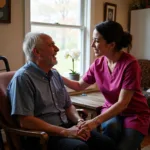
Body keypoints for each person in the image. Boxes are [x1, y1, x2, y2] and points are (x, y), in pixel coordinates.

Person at [7, 32, 116, 150]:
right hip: (42, 136)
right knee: (80, 148)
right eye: (51, 45)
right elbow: (26, 121)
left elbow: (68, 106)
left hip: (67, 126)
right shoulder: (23, 78)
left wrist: (79, 121)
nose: (57, 49)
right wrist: (65, 132)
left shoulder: (55, 74)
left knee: (106, 143)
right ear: (37, 52)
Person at [62, 21, 150, 150]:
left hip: (134, 114)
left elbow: (123, 103)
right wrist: (57, 75)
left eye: (96, 41)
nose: (92, 44)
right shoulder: (98, 64)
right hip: (111, 110)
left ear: (111, 44)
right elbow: (79, 86)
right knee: (110, 135)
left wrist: (94, 121)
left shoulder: (130, 64)